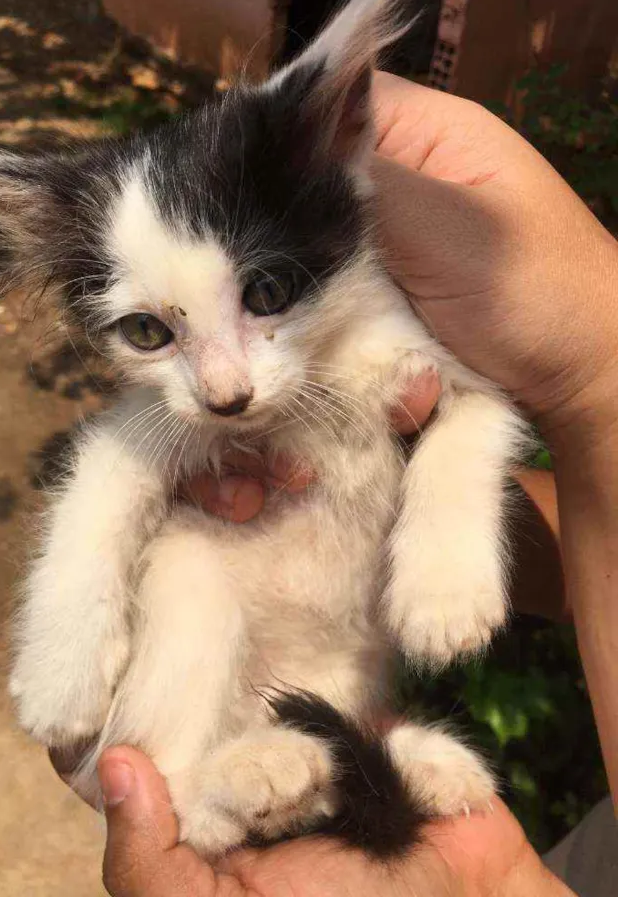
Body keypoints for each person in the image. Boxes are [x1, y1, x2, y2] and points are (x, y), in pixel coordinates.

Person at [62, 72, 618, 896]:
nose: (226, 390)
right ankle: (257, 768)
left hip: (333, 660)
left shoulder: (367, 301)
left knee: (336, 651)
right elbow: (115, 468)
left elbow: (469, 405)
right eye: (150, 329)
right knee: (189, 572)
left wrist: (450, 518)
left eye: (268, 291)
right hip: (242, 638)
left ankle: (338, 754)